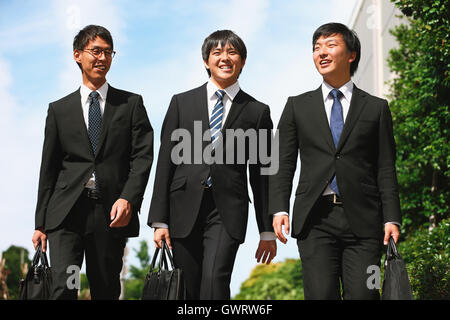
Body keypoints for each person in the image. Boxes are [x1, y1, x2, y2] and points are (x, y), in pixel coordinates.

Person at [270, 22, 401, 300]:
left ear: (351, 54)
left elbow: (386, 167)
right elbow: (282, 162)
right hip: (314, 221)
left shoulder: (377, 108)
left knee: (366, 294)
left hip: (365, 225)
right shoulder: (297, 106)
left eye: (331, 45)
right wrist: (279, 208)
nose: (322, 52)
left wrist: (392, 217)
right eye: (317, 47)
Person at [148, 30, 277, 300]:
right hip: (182, 207)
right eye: (217, 53)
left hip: (227, 210)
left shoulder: (257, 111)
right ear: (206, 61)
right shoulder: (181, 103)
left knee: (214, 283)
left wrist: (266, 229)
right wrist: (160, 220)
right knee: (187, 289)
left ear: (242, 61)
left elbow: (262, 175)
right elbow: (165, 162)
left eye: (232, 53)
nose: (224, 58)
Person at [32, 25, 153, 300]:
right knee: (65, 287)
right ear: (77, 55)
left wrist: (128, 198)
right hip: (66, 215)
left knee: (106, 289)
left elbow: (143, 156)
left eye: (108, 52)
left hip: (109, 213)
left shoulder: (131, 104)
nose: (102, 58)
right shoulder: (59, 110)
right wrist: (40, 223)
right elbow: (48, 168)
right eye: (95, 51)